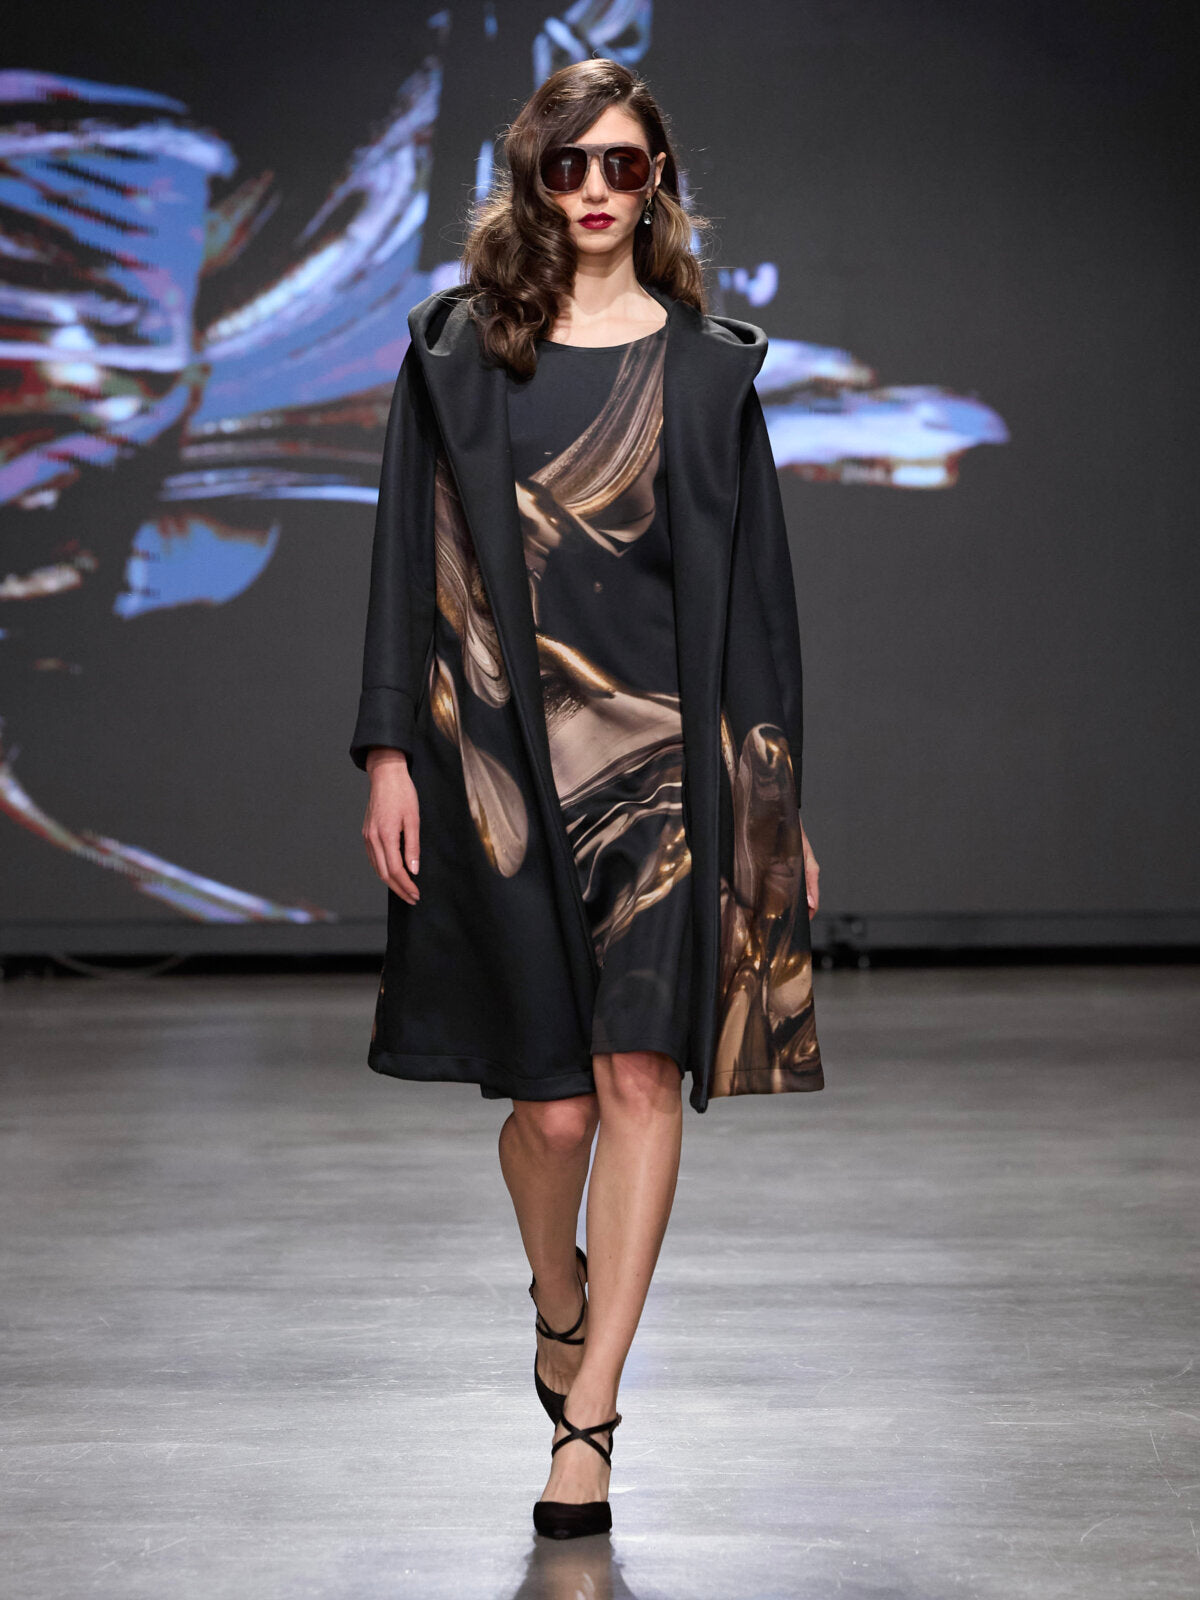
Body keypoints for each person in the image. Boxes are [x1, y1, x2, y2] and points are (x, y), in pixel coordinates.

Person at [350, 58, 824, 1539]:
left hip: (670, 776)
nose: (600, 190)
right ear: (532, 180)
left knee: (638, 1082)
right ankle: (555, 1297)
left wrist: (771, 809)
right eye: (571, 166)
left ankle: (592, 1417)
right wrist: (386, 753)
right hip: (499, 767)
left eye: (626, 163)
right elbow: (403, 562)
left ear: (659, 177)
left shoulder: (707, 372)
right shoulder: (455, 356)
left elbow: (757, 607)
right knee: (552, 1117)